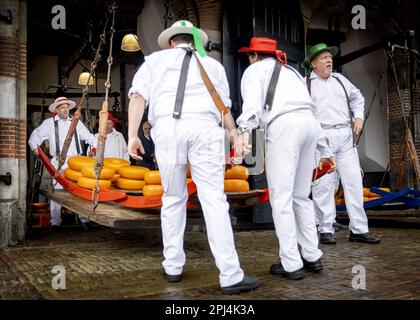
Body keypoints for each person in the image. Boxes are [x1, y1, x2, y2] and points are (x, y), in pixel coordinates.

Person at [127, 20, 259, 294]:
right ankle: (231, 275)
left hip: (168, 129)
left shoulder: (154, 60)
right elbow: (224, 109)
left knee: (173, 198)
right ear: (193, 40)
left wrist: (133, 134)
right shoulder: (213, 65)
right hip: (205, 129)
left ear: (172, 42)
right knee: (214, 200)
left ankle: (173, 266)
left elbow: (138, 96)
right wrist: (234, 136)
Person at [235, 37, 335, 280]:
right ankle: (312, 255)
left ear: (255, 56)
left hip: (284, 127)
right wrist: (325, 151)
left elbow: (251, 108)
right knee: (301, 196)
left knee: (281, 199)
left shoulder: (254, 70)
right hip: (309, 127)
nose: (249, 59)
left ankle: (291, 263)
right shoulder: (292, 71)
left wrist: (243, 135)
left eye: (250, 55)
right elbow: (311, 110)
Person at [302, 43, 380, 244]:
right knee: (323, 185)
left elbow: (358, 98)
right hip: (322, 139)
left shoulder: (341, 80)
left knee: (354, 182)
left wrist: (359, 117)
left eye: (330, 57)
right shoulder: (305, 85)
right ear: (313, 64)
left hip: (345, 137)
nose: (329, 60)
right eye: (323, 58)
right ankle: (325, 228)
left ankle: (359, 229)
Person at [28, 97, 96, 230]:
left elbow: (91, 138)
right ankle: (55, 222)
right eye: (62, 107)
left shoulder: (76, 122)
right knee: (56, 192)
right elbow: (33, 139)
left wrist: (92, 150)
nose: (65, 109)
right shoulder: (49, 124)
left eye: (67, 107)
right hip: (58, 161)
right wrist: (38, 152)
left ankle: (84, 220)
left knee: (79, 191)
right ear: (57, 109)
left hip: (76, 162)